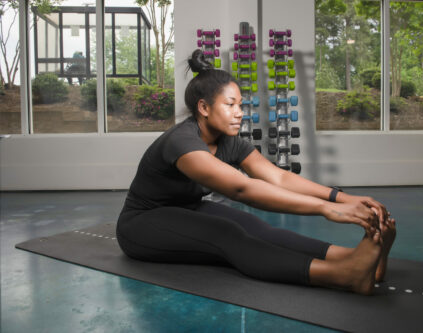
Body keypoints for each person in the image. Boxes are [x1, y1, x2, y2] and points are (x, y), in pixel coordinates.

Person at [117, 49, 396, 295]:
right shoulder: (183, 142)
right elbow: (243, 189)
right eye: (230, 105)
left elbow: (279, 176)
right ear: (203, 107)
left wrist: (342, 198)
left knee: (256, 227)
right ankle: (344, 276)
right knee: (226, 233)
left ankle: (354, 259)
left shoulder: (230, 142)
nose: (240, 113)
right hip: (142, 224)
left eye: (240, 104)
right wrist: (326, 209)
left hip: (187, 208)